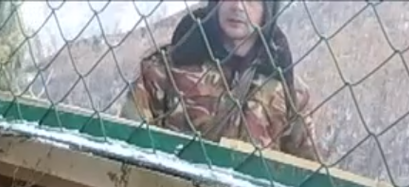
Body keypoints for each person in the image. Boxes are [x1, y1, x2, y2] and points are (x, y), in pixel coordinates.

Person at [126, 1, 324, 163]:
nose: (237, 6)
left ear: (268, 8)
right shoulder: (166, 68)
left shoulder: (290, 93)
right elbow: (128, 142)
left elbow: (306, 174)